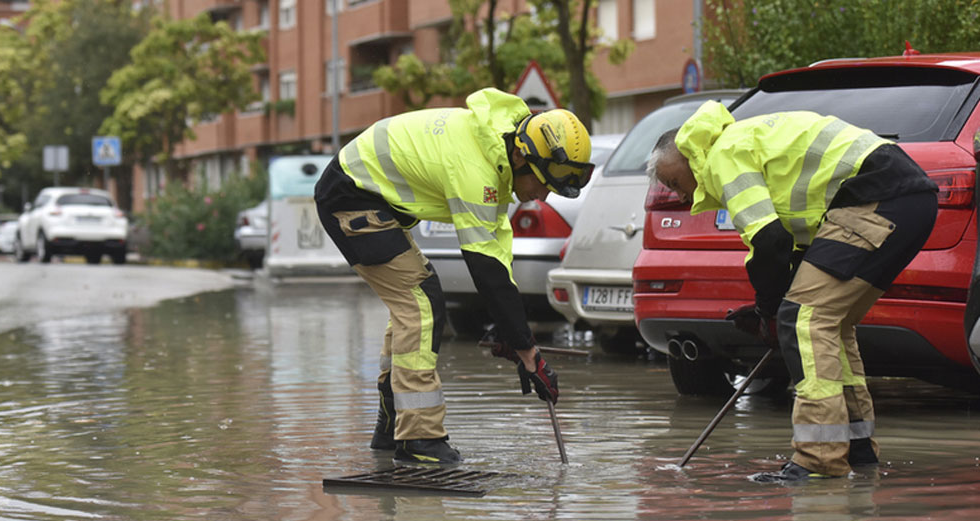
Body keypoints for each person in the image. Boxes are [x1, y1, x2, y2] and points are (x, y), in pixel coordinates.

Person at [647, 101, 938, 482]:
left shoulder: (722, 155)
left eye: (673, 182)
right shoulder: (745, 142)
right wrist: (770, 307)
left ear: (687, 155)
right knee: (830, 322)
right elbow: (794, 251)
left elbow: (768, 242)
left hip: (879, 195)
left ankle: (818, 460)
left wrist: (771, 310)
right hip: (907, 199)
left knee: (805, 318)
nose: (680, 196)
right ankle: (857, 450)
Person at [314, 88, 592, 464]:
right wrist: (527, 350)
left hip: (367, 195)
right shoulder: (477, 170)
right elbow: (484, 270)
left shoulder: (494, 151)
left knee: (413, 302)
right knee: (422, 303)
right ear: (520, 155)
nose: (542, 195)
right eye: (543, 183)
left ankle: (392, 425)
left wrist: (521, 342)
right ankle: (419, 440)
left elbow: (498, 266)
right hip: (350, 196)